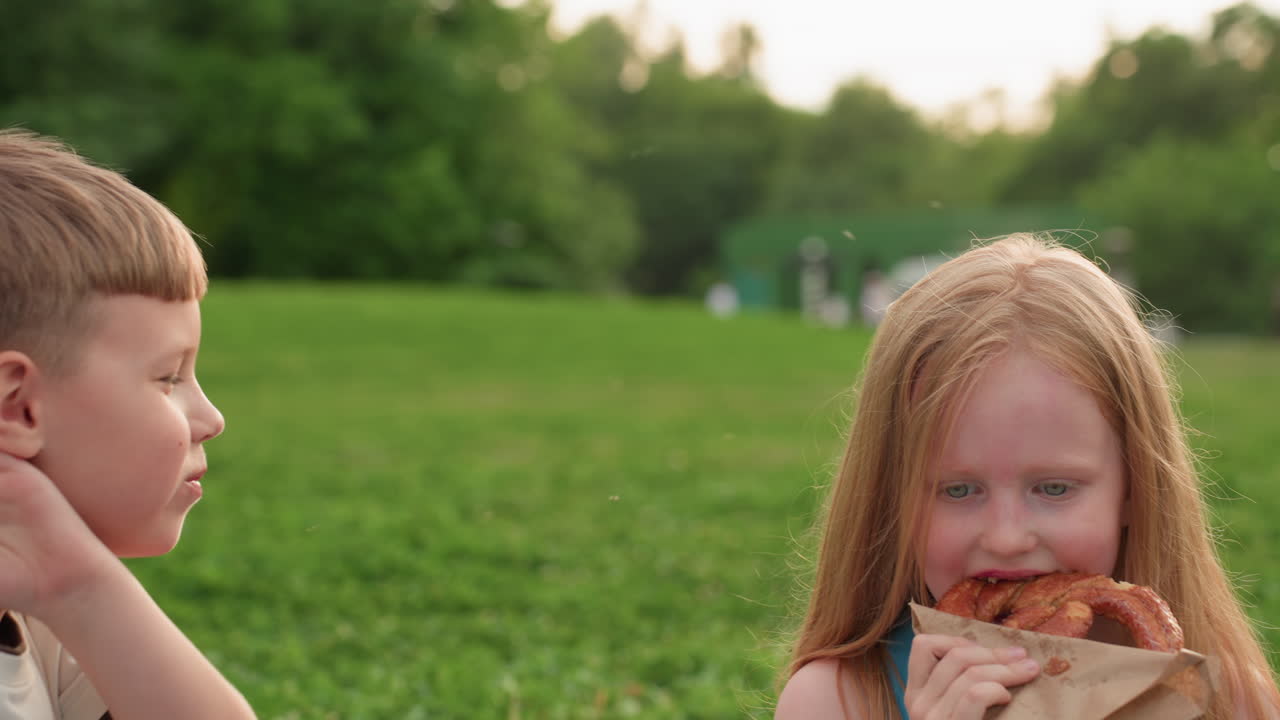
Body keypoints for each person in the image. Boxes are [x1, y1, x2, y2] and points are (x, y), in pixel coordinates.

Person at [774, 234, 1280, 719]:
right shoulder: (834, 702)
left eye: (1054, 488)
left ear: (1135, 488)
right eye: (958, 489)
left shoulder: (1230, 703)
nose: (1007, 537)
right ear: (891, 498)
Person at [0, 129, 256, 718]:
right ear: (18, 406)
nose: (211, 419)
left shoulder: (40, 615)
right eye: (169, 378)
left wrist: (79, 586)